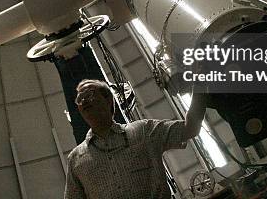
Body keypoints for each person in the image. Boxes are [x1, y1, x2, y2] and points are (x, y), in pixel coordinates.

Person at [64, 79, 208, 199]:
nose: (83, 101)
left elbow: (190, 128)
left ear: (108, 100)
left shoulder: (144, 130)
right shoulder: (75, 158)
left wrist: (201, 83)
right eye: (79, 98)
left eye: (89, 94)